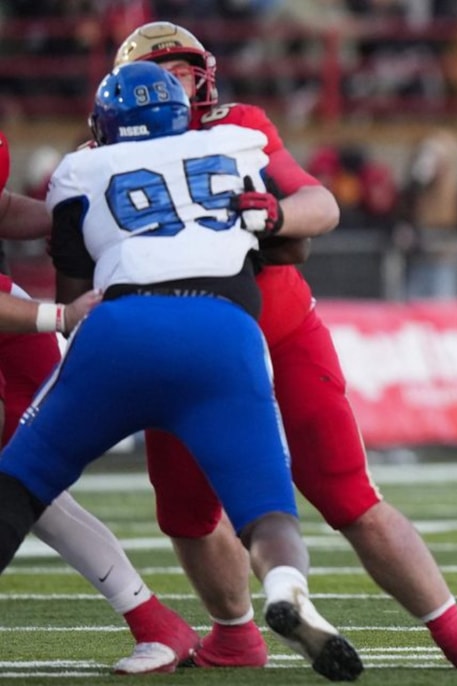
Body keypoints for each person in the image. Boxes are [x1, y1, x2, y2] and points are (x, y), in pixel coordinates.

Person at [111, 21, 457, 669]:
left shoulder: (236, 126)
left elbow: (316, 206)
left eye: (181, 74)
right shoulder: (105, 157)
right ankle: (237, 636)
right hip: (184, 345)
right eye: (156, 78)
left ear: (203, 78)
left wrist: (269, 215)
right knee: (186, 512)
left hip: (275, 325)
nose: (169, 91)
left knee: (347, 493)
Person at [0, 62, 364, 682]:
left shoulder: (79, 169)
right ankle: (284, 584)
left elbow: (74, 280)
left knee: (19, 478)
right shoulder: (235, 145)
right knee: (267, 510)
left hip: (123, 328)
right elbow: (292, 240)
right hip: (224, 331)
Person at [1, 131, 202, 675]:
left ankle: (156, 623)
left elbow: (2, 209)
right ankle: (155, 623)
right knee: (24, 491)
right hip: (19, 320)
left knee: (23, 485)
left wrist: (69, 213)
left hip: (11, 330)